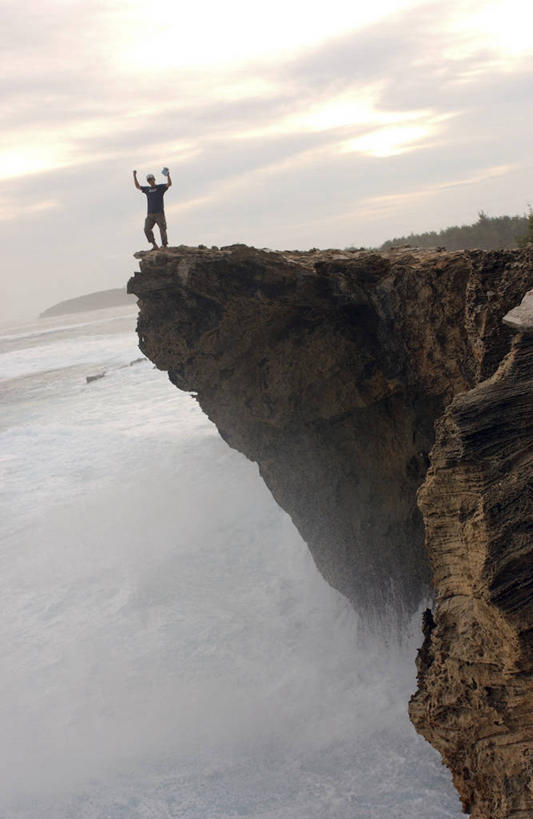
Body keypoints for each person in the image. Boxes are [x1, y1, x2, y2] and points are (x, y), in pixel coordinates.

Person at [133, 169, 172, 250]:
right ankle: (154, 245)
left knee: (162, 229)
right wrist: (134, 176)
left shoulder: (160, 187)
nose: (150, 181)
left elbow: (169, 184)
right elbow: (138, 186)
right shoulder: (147, 189)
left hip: (159, 213)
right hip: (150, 214)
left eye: (151, 179)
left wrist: (168, 175)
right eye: (149, 180)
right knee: (147, 229)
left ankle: (164, 245)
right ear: (148, 182)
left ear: (154, 179)